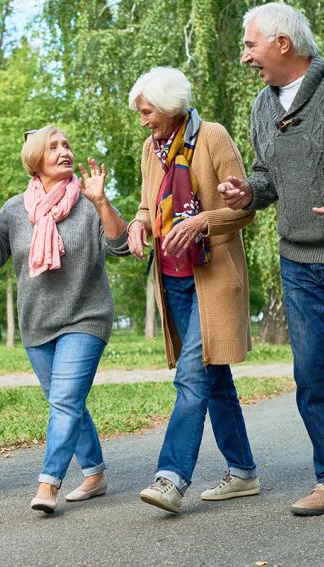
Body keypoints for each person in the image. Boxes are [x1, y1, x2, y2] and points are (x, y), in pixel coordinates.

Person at [0, 126, 130, 514]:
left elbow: (121, 245)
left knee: (64, 400)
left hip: (86, 316)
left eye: (67, 145)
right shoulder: (13, 210)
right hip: (37, 323)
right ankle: (94, 474)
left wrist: (103, 202)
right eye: (54, 147)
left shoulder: (89, 200)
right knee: (67, 402)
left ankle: (48, 483)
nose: (64, 152)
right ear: (35, 160)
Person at [127, 67, 258, 514]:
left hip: (213, 278)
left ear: (169, 106)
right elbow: (149, 204)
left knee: (190, 378)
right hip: (174, 281)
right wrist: (139, 224)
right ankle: (242, 472)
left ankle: (171, 477)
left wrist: (203, 220)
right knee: (213, 377)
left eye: (147, 111)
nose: (143, 120)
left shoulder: (213, 137)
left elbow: (245, 209)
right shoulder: (151, 149)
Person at [218, 3, 324, 516]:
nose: (244, 57)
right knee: (312, 378)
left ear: (283, 44)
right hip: (299, 262)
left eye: (250, 45)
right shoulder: (264, 105)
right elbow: (267, 176)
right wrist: (247, 193)